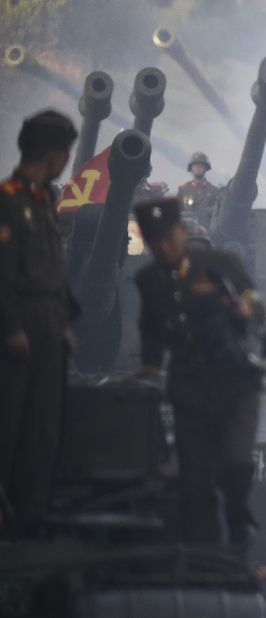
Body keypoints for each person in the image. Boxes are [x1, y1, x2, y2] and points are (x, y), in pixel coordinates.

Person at [131, 197, 265, 547]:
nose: (172, 248)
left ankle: (238, 527)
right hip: (189, 383)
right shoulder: (151, 280)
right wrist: (148, 368)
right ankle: (203, 552)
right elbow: (150, 330)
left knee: (236, 463)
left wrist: (247, 306)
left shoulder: (222, 265)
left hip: (234, 380)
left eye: (175, 239)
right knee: (194, 479)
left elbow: (256, 300)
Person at [0, 109, 79, 531]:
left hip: (49, 321)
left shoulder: (44, 201)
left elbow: (53, 267)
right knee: (9, 423)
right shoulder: (8, 200)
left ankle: (31, 517)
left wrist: (64, 322)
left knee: (44, 429)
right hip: (21, 325)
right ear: (52, 155)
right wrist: (11, 326)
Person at [177, 152, 218, 226]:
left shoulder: (214, 191)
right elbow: (176, 213)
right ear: (191, 168)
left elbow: (218, 215)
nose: (198, 168)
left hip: (208, 233)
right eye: (195, 166)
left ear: (205, 168)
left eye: (201, 166)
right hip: (187, 232)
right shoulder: (183, 190)